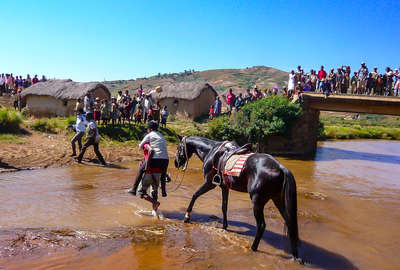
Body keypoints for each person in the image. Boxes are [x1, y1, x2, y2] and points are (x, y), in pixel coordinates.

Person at [135, 121, 169, 212]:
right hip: (160, 170)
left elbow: (142, 147)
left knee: (141, 192)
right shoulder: (160, 138)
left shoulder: (147, 145)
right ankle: (155, 211)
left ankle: (154, 202)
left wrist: (142, 165)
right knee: (154, 191)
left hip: (149, 172)